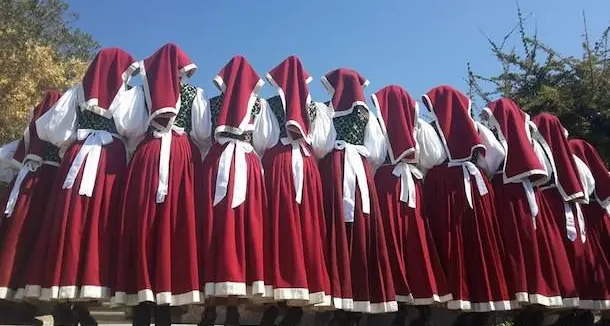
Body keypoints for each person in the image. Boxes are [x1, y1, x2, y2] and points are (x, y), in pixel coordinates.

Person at [23, 48, 143, 326]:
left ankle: (64, 298)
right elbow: (133, 129)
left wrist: (72, 144)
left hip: (78, 157)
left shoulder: (77, 92)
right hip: (109, 160)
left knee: (70, 221)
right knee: (99, 222)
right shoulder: (127, 95)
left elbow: (51, 130)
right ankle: (81, 300)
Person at [112, 43, 203, 326]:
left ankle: (142, 302)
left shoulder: (139, 92)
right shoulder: (194, 95)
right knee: (175, 226)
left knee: (144, 224)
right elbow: (202, 133)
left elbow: (127, 126)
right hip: (180, 157)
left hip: (148, 155)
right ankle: (165, 304)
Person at [420, 85, 512, 326]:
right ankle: (485, 302)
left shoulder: (429, 130)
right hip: (476, 185)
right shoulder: (478, 127)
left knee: (450, 239)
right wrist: (480, 170)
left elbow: (427, 158)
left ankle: (456, 301)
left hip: (445, 188)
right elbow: (497, 154)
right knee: (480, 239)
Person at [316, 68, 397, 326]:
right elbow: (376, 151)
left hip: (334, 169)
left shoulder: (324, 110)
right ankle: (361, 299)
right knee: (360, 231)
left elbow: (320, 145)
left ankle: (338, 297)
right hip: (360, 171)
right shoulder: (367, 116)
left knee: (334, 229)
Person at [482, 99, 574, 326]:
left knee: (515, 243)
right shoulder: (533, 146)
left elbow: (490, 161)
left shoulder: (498, 142)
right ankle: (536, 297)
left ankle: (524, 296)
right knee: (534, 243)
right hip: (530, 194)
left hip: (507, 193)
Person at [197, 56, 273, 326]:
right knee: (242, 232)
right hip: (246, 165)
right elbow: (266, 140)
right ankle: (232, 308)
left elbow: (202, 133)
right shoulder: (260, 106)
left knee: (213, 231)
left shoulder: (211, 103)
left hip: (217, 164)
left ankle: (210, 305)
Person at [257, 56, 333, 326]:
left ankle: (277, 295)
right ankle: (300, 298)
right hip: (306, 165)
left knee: (278, 227)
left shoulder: (269, 106)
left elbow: (262, 139)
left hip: (278, 165)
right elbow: (323, 145)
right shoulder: (316, 109)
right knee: (306, 227)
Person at [371, 85, 452, 326]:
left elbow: (374, 156)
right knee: (415, 239)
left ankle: (396, 299)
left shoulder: (377, 123)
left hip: (387, 183)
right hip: (412, 183)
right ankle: (422, 299)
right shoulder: (421, 126)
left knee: (390, 238)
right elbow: (435, 157)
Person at [0, 91, 62, 325]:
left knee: (19, 236)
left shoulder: (29, 140)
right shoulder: (56, 132)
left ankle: (18, 302)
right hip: (45, 184)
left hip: (29, 184)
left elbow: (8, 156)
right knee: (30, 238)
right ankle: (19, 304)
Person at [531, 113, 586, 324]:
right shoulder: (572, 158)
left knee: (557, 252)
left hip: (548, 203)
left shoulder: (536, 148)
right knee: (569, 252)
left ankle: (567, 301)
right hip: (565, 203)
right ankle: (573, 301)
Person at [569, 138, 610, 324]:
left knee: (592, 259)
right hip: (596, 214)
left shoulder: (572, 163)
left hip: (585, 214)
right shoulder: (589, 167)